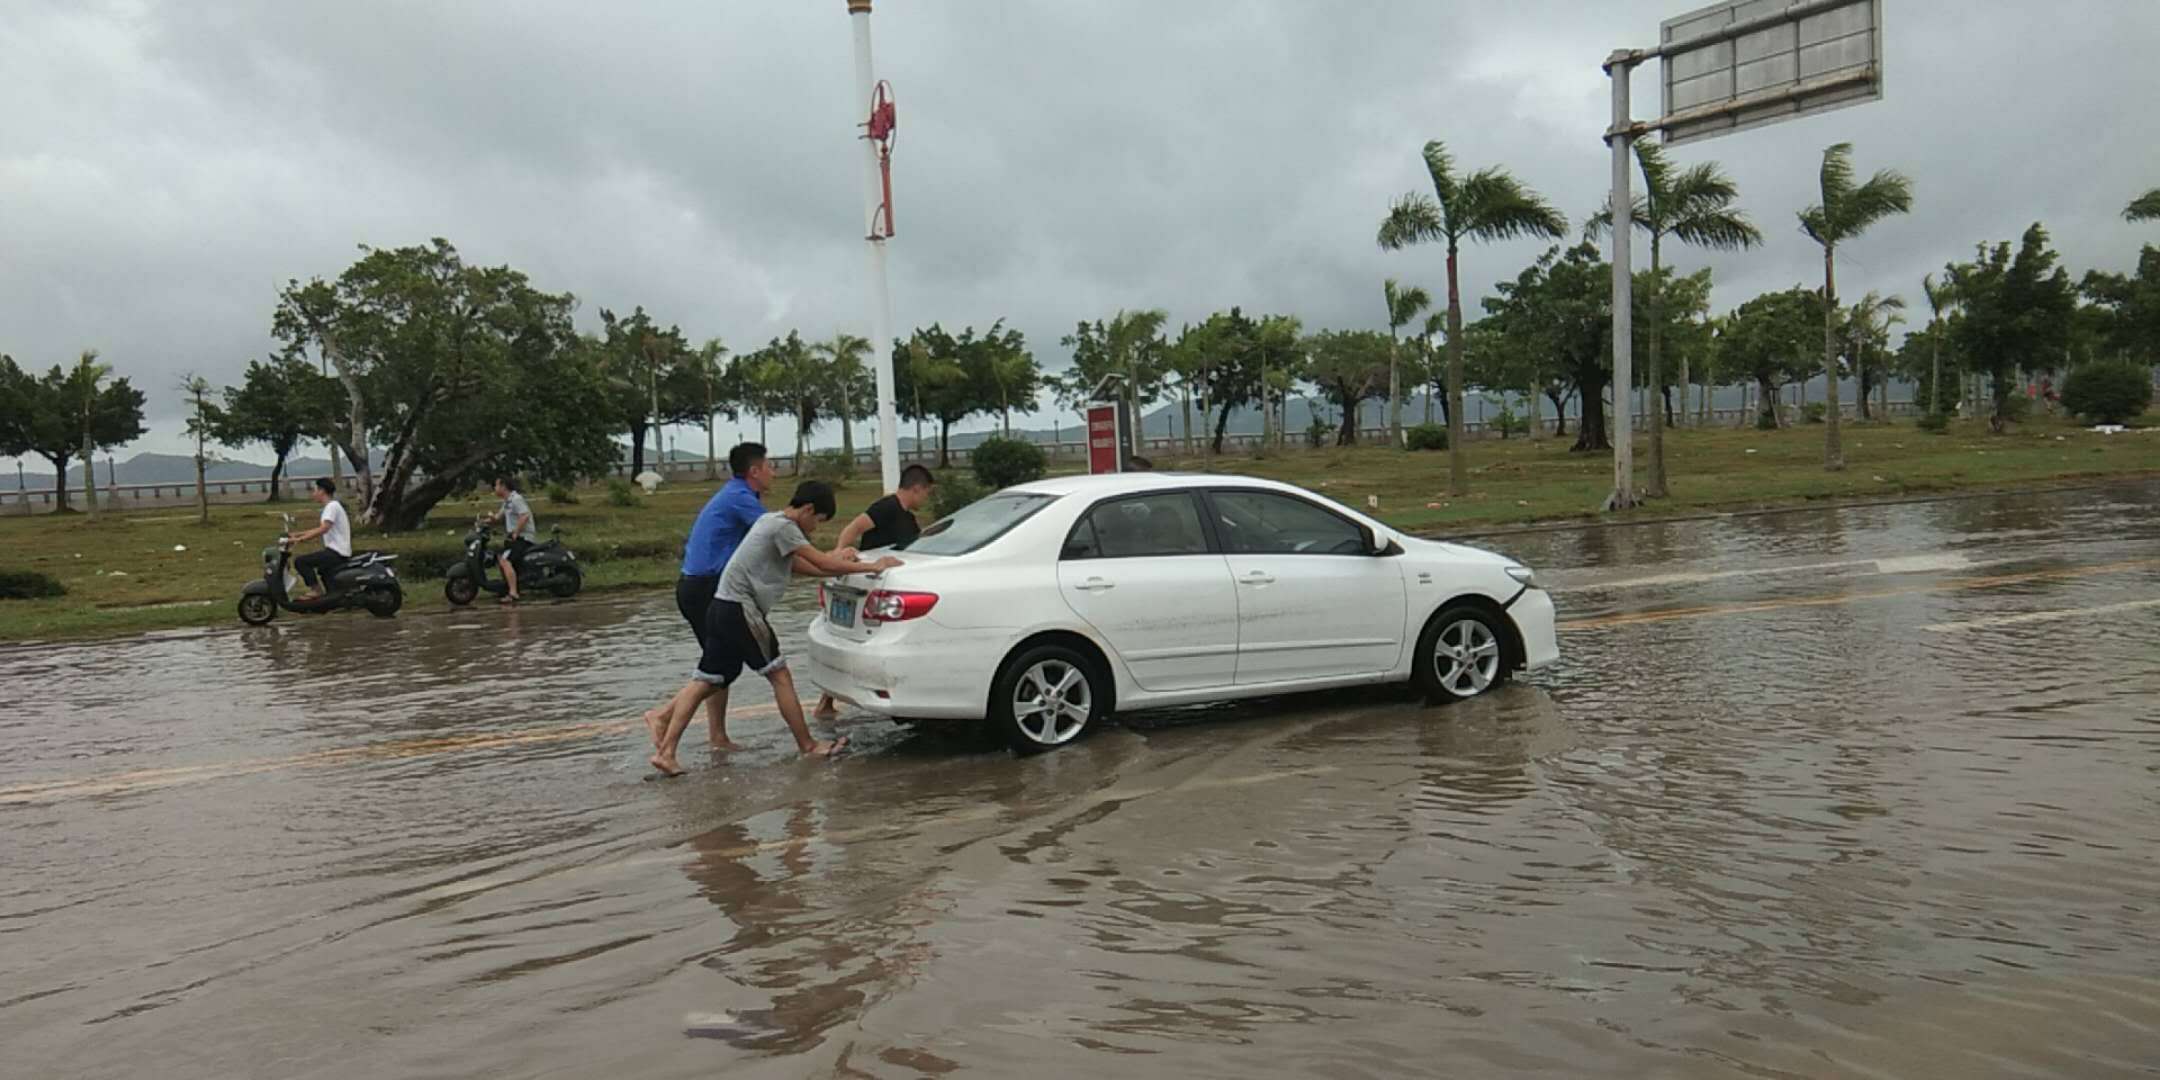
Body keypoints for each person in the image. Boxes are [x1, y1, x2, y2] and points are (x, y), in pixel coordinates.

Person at [649, 480, 901, 776]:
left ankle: (666, 752)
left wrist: (838, 562)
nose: (815, 528)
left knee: (706, 680)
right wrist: (872, 567)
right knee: (780, 675)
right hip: (740, 610)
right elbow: (822, 563)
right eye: (818, 521)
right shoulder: (784, 528)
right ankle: (808, 745)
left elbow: (803, 566)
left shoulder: (769, 522)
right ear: (808, 510)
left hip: (720, 607)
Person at [643, 442, 774, 753]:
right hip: (705, 588)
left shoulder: (739, 494)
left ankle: (717, 736)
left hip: (698, 587)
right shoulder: (740, 499)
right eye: (769, 466)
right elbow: (777, 536)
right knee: (721, 668)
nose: (774, 472)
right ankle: (662, 715)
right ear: (754, 471)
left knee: (718, 662)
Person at [811, 464, 935, 720]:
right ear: (917, 488)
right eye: (927, 493)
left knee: (851, 640)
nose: (926, 498)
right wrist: (840, 553)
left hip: (879, 586)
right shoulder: (886, 507)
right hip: (867, 582)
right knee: (854, 640)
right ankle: (828, 702)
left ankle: (827, 703)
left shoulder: (909, 520)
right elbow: (853, 528)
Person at [285, 477, 352, 601]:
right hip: (337, 551)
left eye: (315, 490)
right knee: (322, 569)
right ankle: (333, 596)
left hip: (337, 552)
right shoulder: (332, 506)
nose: (313, 493)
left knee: (301, 562)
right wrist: (297, 534)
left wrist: (301, 539)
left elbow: (324, 528)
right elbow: (321, 528)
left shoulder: (332, 506)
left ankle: (316, 591)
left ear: (322, 491)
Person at [492, 475, 538, 604]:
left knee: (505, 560)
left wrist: (516, 532)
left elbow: (524, 516)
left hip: (523, 538)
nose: (494, 488)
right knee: (501, 558)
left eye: (496, 485)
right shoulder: (507, 501)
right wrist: (484, 521)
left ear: (503, 486)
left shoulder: (516, 499)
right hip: (515, 538)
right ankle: (511, 587)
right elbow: (498, 517)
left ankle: (513, 593)